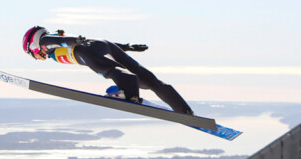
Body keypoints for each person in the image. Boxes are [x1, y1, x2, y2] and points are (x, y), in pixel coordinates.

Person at [22, 26, 193, 115]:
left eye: (32, 54)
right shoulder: (50, 45)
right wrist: (128, 47)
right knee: (149, 81)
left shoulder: (46, 43)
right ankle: (183, 110)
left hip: (85, 50)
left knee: (106, 69)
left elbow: (55, 41)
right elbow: (98, 44)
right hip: (104, 45)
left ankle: (128, 93)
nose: (36, 57)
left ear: (33, 46)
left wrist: (74, 41)